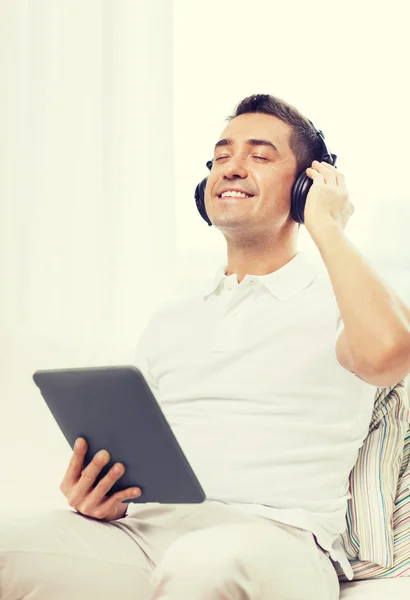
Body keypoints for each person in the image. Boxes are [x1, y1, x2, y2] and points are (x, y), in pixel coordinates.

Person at [1, 94, 410, 600]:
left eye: (260, 157)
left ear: (307, 187)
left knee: (202, 567)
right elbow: (140, 450)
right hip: (144, 537)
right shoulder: (172, 317)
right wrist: (107, 495)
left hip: (276, 541)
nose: (232, 168)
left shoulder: (343, 300)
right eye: (220, 158)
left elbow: (388, 354)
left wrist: (326, 225)